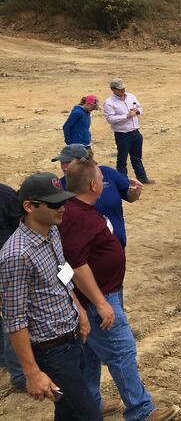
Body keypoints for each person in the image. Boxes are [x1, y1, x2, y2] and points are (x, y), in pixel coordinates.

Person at [60, 160, 178, 421]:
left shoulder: (80, 209)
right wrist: (101, 303)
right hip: (98, 299)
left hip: (99, 295)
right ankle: (141, 411)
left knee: (91, 354)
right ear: (93, 185)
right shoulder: (77, 217)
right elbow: (78, 266)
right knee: (122, 351)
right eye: (101, 179)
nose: (104, 182)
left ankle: (90, 403)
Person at [0, 172, 101, 419]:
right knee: (89, 415)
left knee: (68, 413)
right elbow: (14, 319)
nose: (63, 208)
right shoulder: (16, 256)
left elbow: (62, 273)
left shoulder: (52, 231)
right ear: (29, 207)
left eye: (64, 201)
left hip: (72, 337)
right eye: (55, 203)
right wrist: (32, 372)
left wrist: (79, 310)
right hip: (52, 351)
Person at [56, 144, 143, 249]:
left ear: (83, 161)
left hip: (116, 243)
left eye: (67, 162)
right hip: (85, 249)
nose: (63, 167)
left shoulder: (107, 173)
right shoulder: (60, 186)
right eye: (62, 162)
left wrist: (135, 192)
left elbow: (130, 197)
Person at [103, 78, 154, 184]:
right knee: (122, 159)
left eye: (123, 88)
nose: (123, 91)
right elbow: (110, 119)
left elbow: (140, 108)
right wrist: (126, 116)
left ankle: (142, 177)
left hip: (135, 132)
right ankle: (122, 181)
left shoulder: (131, 96)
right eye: (120, 89)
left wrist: (137, 111)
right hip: (122, 134)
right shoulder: (109, 103)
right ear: (113, 89)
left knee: (137, 157)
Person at [0, 182, 24, 391]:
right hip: (7, 264)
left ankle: (4, 359)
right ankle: (19, 374)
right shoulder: (4, 194)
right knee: (12, 316)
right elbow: (20, 225)